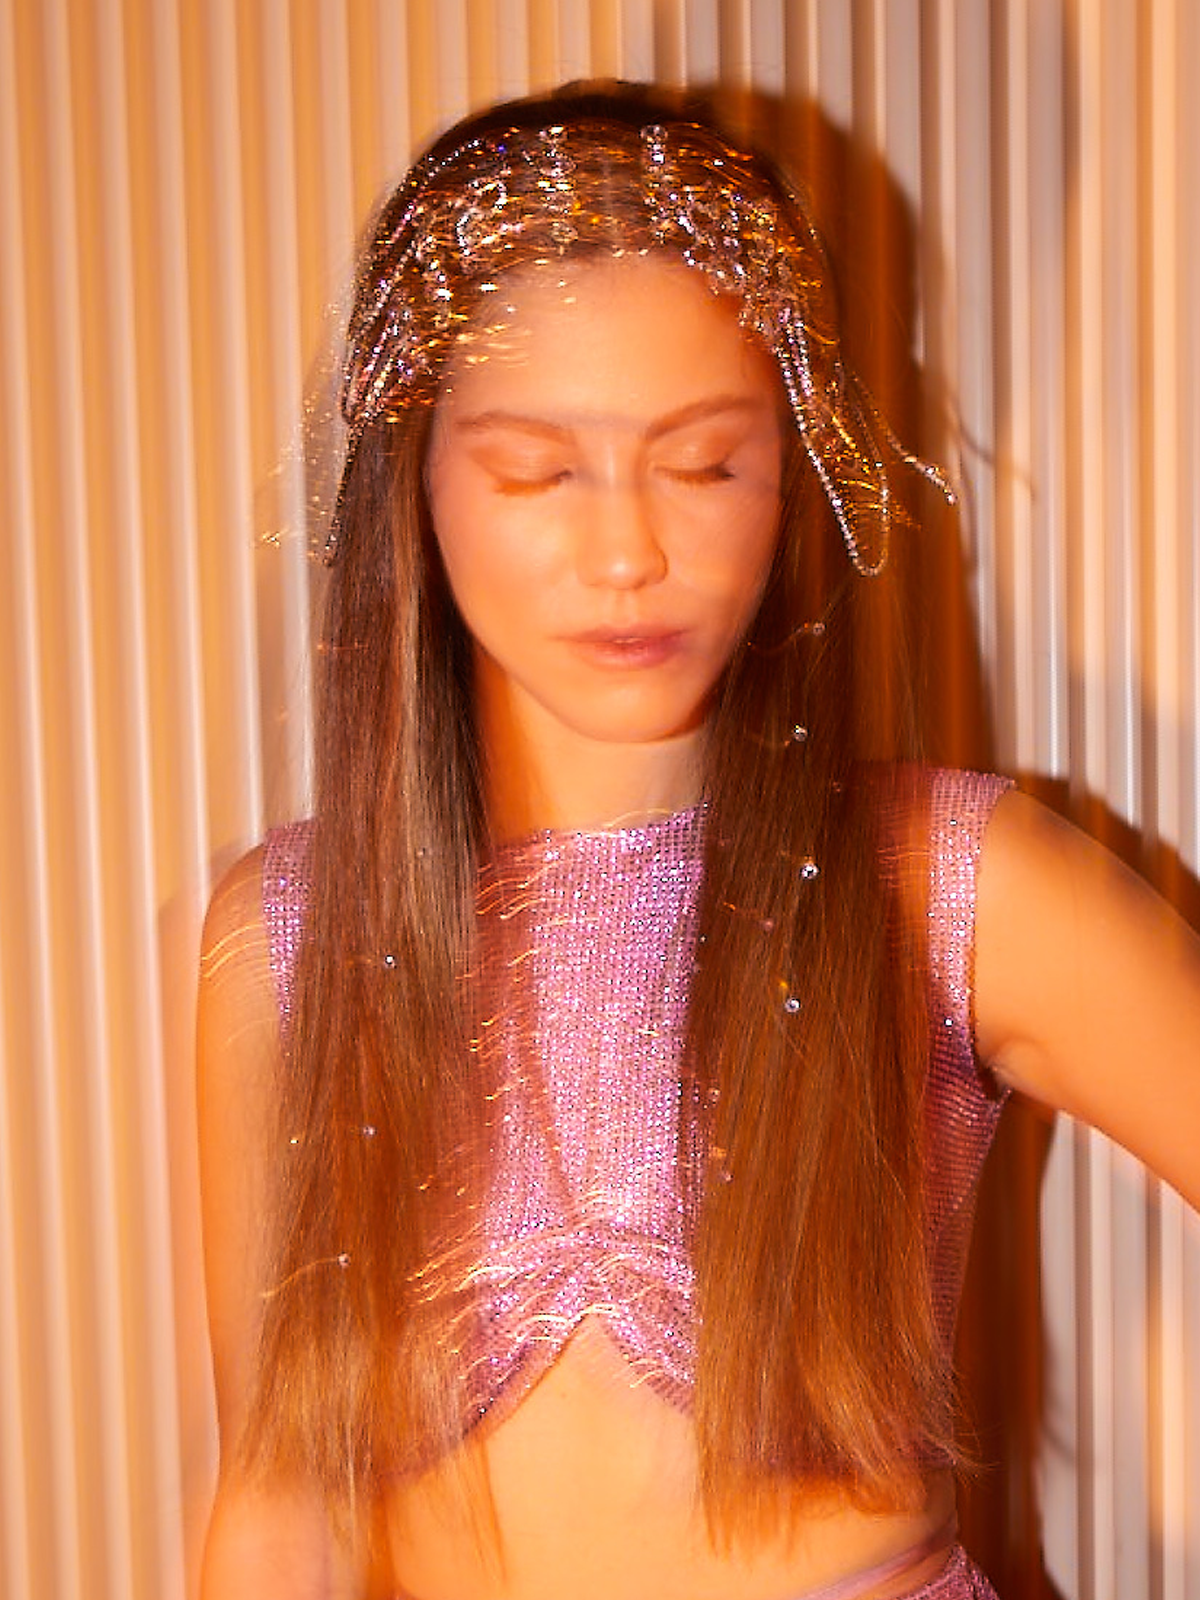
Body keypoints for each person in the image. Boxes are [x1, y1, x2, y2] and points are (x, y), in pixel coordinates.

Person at [196, 81, 1200, 1600]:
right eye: (538, 470)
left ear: (790, 475)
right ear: (417, 482)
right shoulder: (285, 940)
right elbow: (280, 1498)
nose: (628, 553)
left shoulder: (945, 885)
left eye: (706, 463)